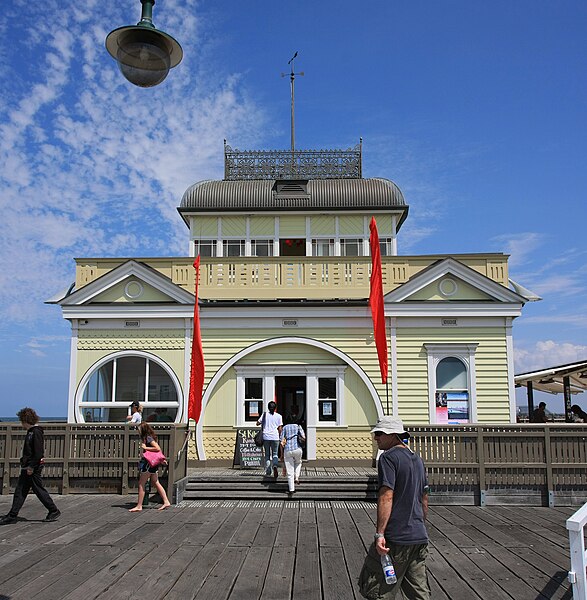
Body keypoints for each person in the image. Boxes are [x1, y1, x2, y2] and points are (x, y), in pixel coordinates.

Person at [358, 416, 429, 600]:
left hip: (396, 538)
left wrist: (380, 534)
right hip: (418, 536)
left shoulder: (388, 458)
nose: (376, 438)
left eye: (380, 433)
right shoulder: (417, 460)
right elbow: (424, 497)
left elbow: (386, 495)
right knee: (419, 593)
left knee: (376, 590)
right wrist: (420, 524)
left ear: (392, 435)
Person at [0, 407, 60, 525]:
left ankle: (53, 510)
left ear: (25, 420)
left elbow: (38, 453)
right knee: (21, 491)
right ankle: (12, 514)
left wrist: (31, 467)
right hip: (28, 466)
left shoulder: (36, 432)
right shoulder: (32, 432)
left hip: (32, 467)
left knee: (37, 490)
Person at [129, 423, 171, 512]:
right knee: (156, 482)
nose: (138, 430)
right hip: (152, 464)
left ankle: (139, 505)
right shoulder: (148, 437)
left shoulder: (148, 438)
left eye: (139, 429)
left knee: (141, 483)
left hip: (148, 463)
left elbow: (157, 448)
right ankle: (166, 501)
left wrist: (146, 448)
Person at [280, 416, 305, 497]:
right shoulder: (298, 426)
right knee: (299, 462)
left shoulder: (285, 427)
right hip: (297, 449)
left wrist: (281, 453)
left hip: (287, 450)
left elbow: (281, 440)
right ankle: (297, 477)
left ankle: (291, 490)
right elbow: (304, 437)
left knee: (290, 471)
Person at [256, 401, 283, 478]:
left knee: (267, 455)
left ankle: (268, 471)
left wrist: (262, 422)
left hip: (266, 437)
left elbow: (257, 423)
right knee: (275, 454)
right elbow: (280, 428)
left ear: (268, 408)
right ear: (275, 408)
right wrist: (280, 437)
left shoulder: (264, 415)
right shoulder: (279, 416)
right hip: (275, 437)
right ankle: (274, 465)